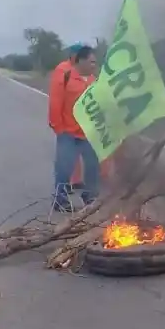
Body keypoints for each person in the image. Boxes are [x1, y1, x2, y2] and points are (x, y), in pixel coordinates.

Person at [49, 44, 99, 211]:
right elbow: (56, 102)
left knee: (92, 166)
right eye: (91, 62)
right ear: (81, 61)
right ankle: (60, 201)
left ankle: (90, 197)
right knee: (64, 168)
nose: (94, 65)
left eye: (95, 62)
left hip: (87, 133)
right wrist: (58, 128)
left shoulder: (92, 80)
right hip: (68, 132)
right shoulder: (65, 75)